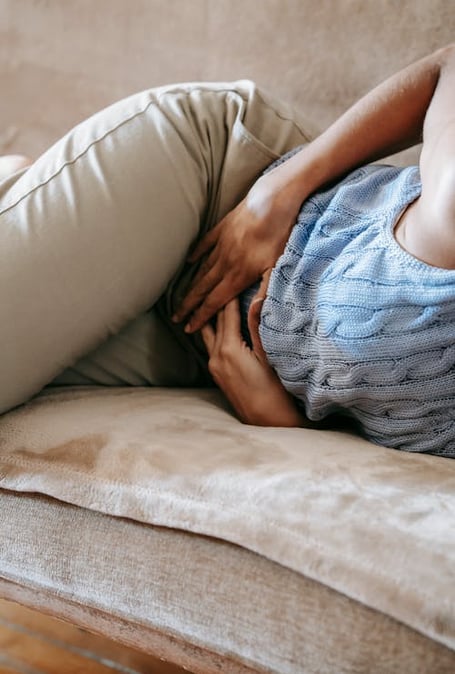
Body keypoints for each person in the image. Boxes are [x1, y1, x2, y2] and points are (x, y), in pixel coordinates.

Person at [1, 45, 454, 457]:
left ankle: (23, 187)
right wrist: (281, 189)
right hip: (217, 193)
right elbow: (447, 66)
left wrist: (287, 423)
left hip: (199, 346)